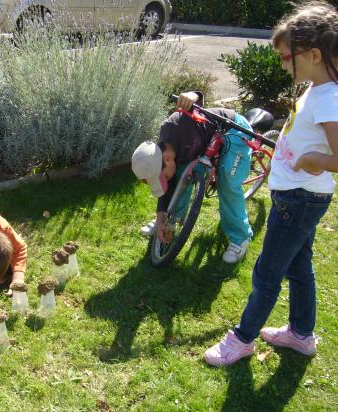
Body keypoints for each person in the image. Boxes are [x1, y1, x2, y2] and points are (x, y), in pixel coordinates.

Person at [204, 1, 338, 366]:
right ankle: (300, 334)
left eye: (285, 57)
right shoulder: (318, 88)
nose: (281, 63)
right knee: (299, 265)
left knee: (267, 271)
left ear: (312, 54)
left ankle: (242, 339)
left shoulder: (330, 98)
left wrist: (311, 160)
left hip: (299, 199)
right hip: (299, 196)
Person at [132, 91, 255, 263]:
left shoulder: (176, 125)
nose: (164, 180)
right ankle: (171, 221)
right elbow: (167, 187)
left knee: (227, 183)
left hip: (233, 129)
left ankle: (240, 238)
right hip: (207, 146)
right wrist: (161, 221)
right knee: (180, 175)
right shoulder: (163, 153)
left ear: (166, 159)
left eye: (162, 177)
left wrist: (191, 95)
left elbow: (196, 102)